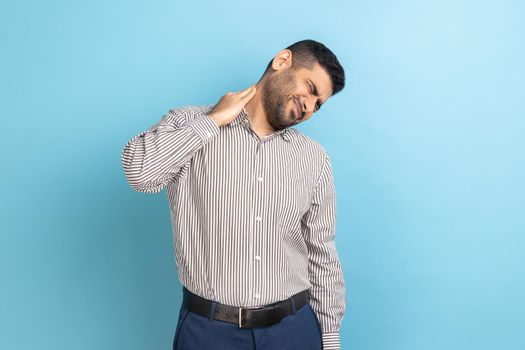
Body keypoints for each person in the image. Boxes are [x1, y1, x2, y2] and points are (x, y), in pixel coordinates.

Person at [120, 39, 346, 350]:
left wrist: (330, 340)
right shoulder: (190, 122)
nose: (309, 105)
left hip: (294, 331)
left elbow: (322, 254)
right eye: (310, 87)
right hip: (209, 332)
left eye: (318, 103)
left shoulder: (313, 158)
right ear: (282, 61)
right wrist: (212, 121)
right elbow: (139, 174)